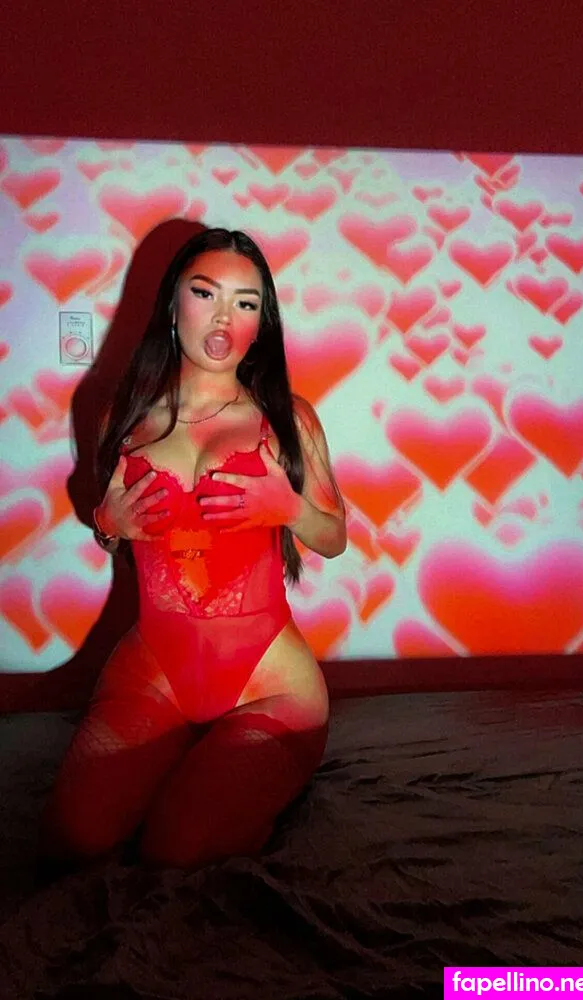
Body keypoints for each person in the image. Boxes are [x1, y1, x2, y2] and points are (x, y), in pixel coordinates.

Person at [39, 227, 347, 871]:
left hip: (269, 685)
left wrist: (290, 509)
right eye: (206, 293)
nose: (224, 316)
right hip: (154, 671)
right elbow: (111, 524)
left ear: (261, 323)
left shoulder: (288, 420)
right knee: (79, 834)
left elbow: (334, 537)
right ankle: (199, 759)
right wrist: (106, 524)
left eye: (245, 302)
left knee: (175, 848)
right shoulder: (123, 417)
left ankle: (242, 780)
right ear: (173, 304)